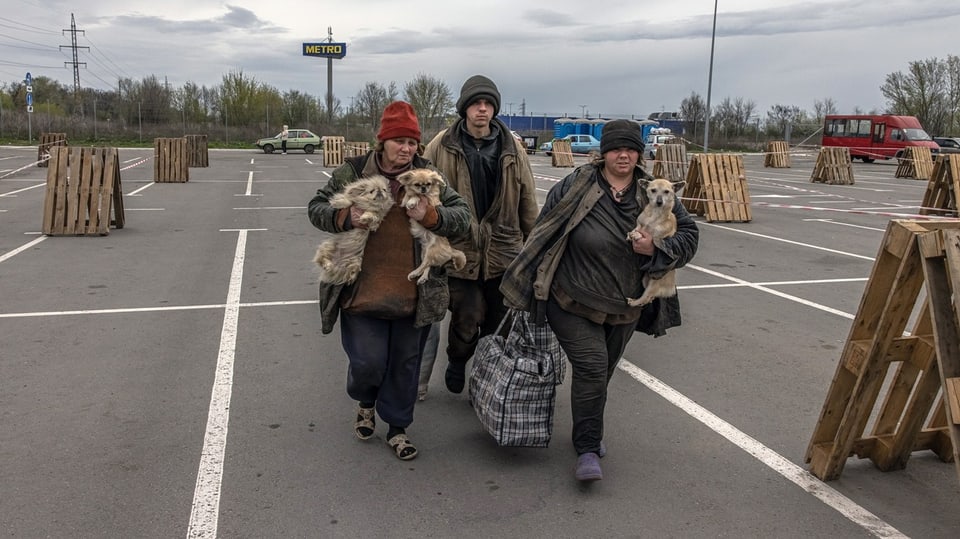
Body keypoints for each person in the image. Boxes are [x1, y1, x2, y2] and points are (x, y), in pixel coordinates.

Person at [499, 119, 699, 482]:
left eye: (631, 149)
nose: (623, 155)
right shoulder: (577, 184)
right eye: (615, 148)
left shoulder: (653, 191)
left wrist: (657, 247)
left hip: (625, 308)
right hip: (571, 298)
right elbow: (544, 226)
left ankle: (588, 426)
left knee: (600, 374)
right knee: (592, 367)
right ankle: (588, 448)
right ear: (603, 152)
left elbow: (689, 238)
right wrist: (525, 278)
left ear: (639, 153)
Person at [307, 101, 471, 460]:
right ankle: (365, 399)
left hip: (414, 293)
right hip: (362, 291)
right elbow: (316, 208)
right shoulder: (353, 172)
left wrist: (431, 216)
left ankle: (398, 429)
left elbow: (463, 218)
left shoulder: (427, 176)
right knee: (368, 362)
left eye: (412, 143)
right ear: (382, 142)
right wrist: (346, 216)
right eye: (399, 141)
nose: (407, 150)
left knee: (404, 365)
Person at [420, 74, 539, 397]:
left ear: (494, 109)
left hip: (504, 250)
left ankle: (485, 383)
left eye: (488, 104)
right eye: (476, 104)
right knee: (467, 317)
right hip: (461, 249)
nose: (482, 110)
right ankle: (457, 360)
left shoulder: (512, 147)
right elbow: (421, 187)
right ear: (465, 109)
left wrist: (535, 249)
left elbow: (527, 198)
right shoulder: (442, 144)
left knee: (498, 326)